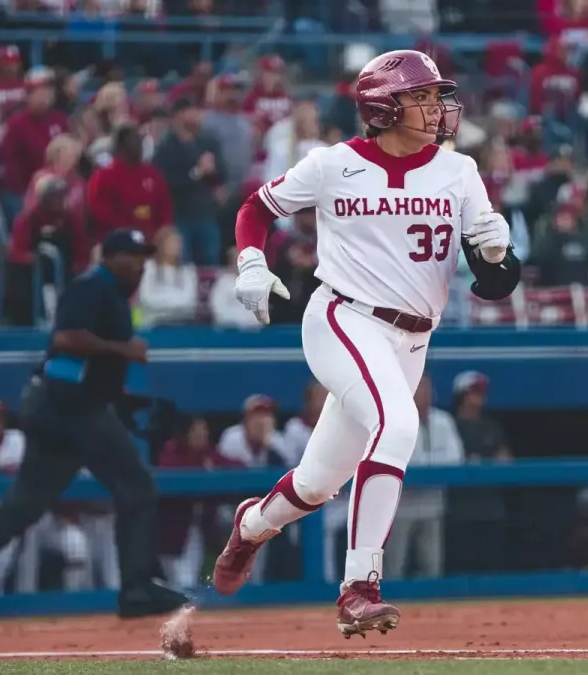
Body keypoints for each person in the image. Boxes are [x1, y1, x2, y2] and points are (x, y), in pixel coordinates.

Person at [209, 49, 521, 639]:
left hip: (412, 340)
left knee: (317, 483)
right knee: (400, 425)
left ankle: (250, 526)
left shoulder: (459, 171)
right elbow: (256, 208)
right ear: (384, 105)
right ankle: (360, 586)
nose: (436, 108)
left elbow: (493, 281)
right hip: (343, 317)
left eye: (435, 96)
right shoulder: (333, 164)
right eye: (422, 96)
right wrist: (251, 262)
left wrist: (498, 254)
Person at [0, 229, 189, 633]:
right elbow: (65, 339)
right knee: (136, 485)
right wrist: (124, 350)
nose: (140, 264)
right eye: (132, 256)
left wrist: (122, 400)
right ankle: (136, 587)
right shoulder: (91, 285)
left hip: (63, 405)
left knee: (25, 505)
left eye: (144, 257)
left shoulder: (114, 296)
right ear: (110, 256)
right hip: (69, 405)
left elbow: (90, 367)